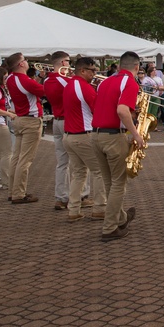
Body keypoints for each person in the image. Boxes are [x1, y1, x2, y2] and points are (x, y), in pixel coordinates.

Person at [92, 51, 146, 241]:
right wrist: (136, 134)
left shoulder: (105, 82)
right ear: (137, 67)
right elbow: (122, 110)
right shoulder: (129, 82)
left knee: (109, 182)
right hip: (113, 136)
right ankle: (110, 227)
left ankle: (121, 218)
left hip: (96, 134)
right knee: (118, 184)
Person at [61, 57, 106, 222]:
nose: (95, 74)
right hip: (83, 134)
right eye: (92, 70)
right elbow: (97, 110)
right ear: (82, 71)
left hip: (69, 135)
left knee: (78, 174)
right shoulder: (84, 87)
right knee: (100, 171)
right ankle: (100, 208)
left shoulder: (69, 85)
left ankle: (73, 210)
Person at [5, 52, 46, 204]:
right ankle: (19, 193)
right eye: (25, 60)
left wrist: (39, 78)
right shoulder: (24, 80)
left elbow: (29, 87)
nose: (27, 62)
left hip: (20, 118)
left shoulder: (10, 78)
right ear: (21, 64)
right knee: (25, 160)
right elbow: (43, 91)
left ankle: (12, 190)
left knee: (16, 157)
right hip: (31, 121)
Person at [42, 51, 73, 211]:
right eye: (68, 61)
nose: (69, 64)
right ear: (62, 63)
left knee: (62, 163)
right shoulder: (64, 80)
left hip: (56, 120)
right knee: (80, 162)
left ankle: (61, 197)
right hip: (69, 121)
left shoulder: (47, 80)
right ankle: (82, 195)